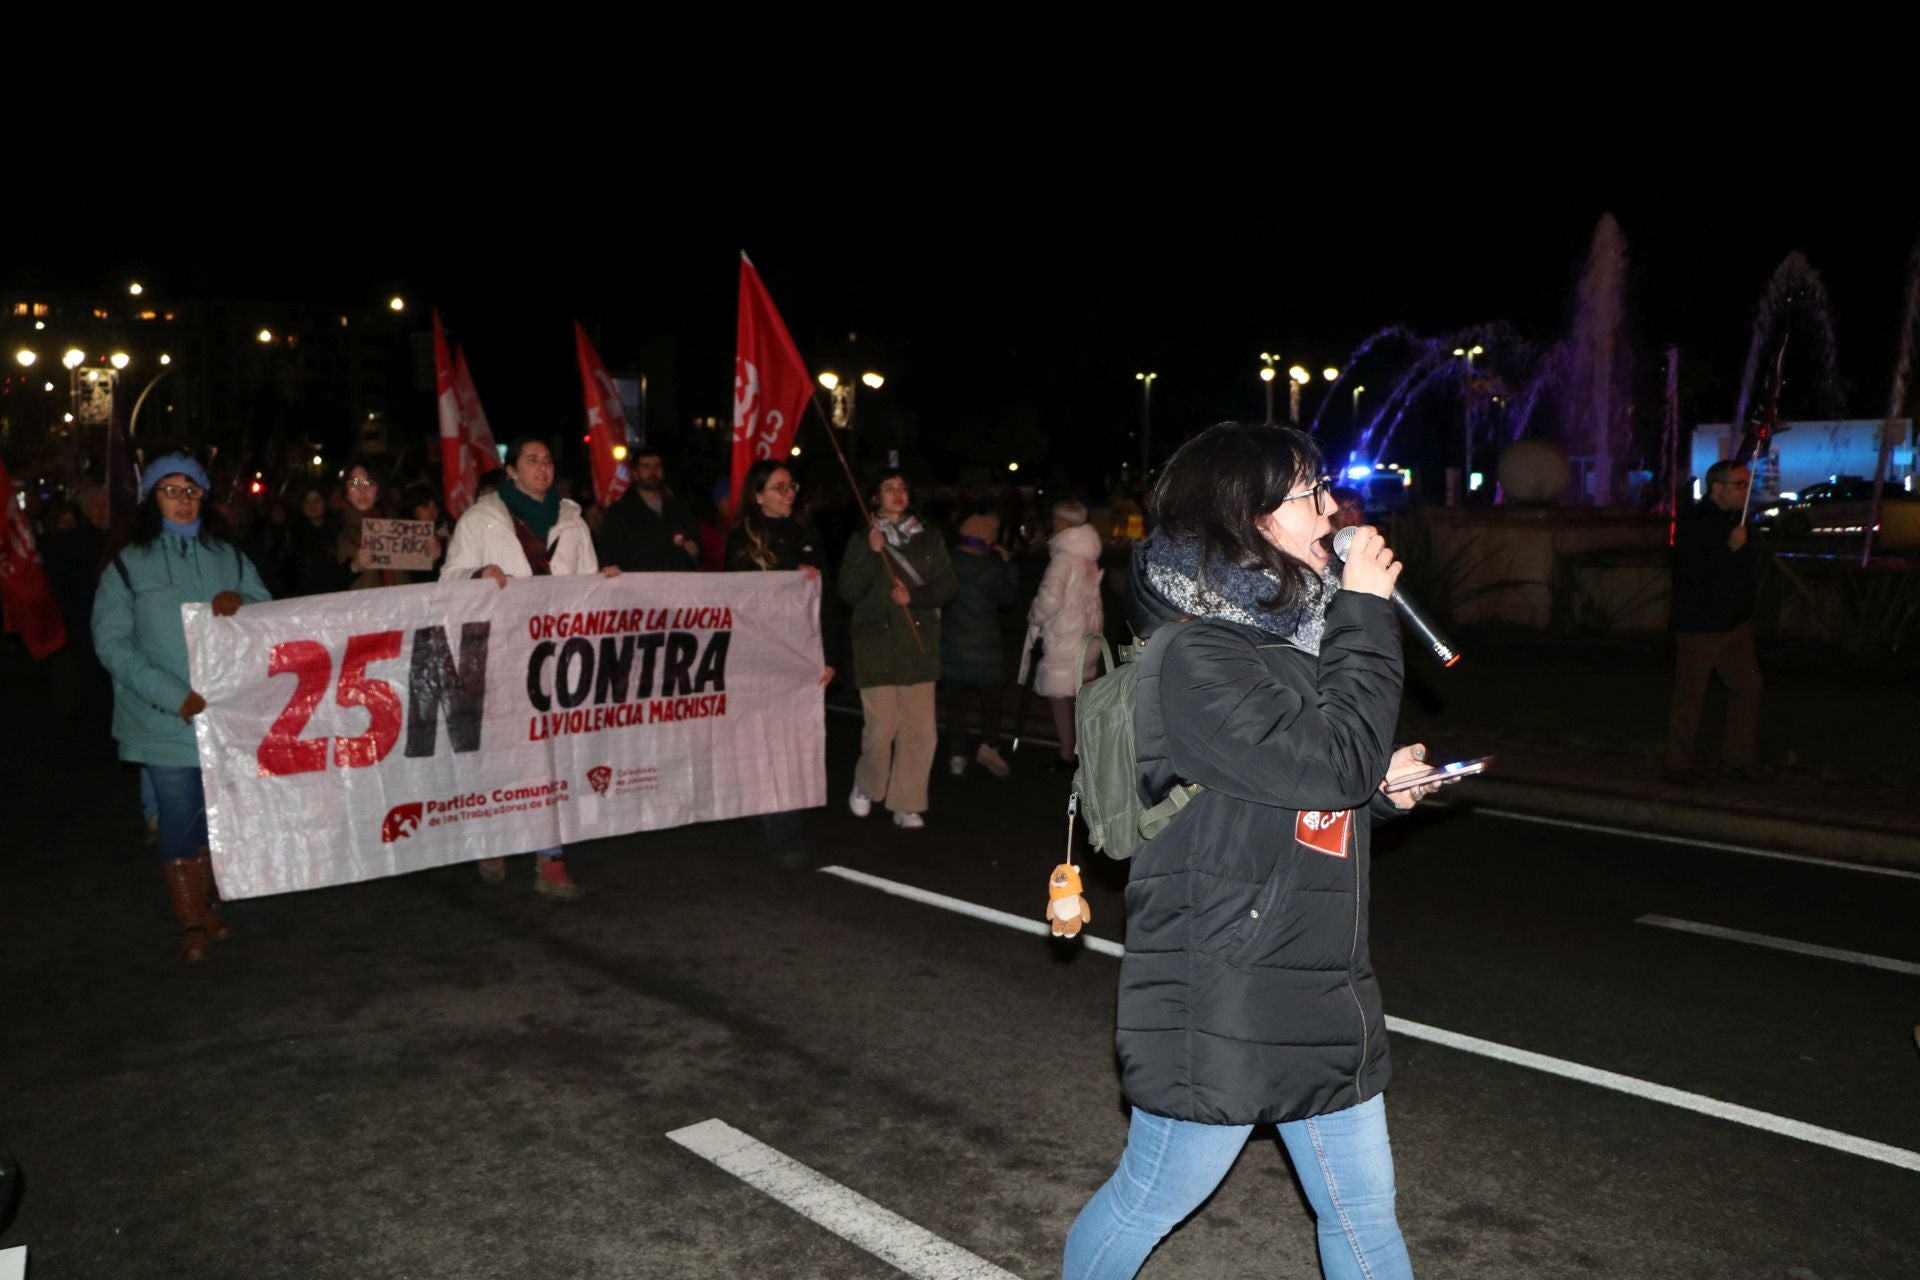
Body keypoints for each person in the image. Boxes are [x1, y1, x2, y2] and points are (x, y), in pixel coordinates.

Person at [1061, 422, 1446, 1280]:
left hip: (1317, 975)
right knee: (1151, 1196)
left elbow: (1304, 791)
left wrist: (1379, 794)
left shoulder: (1291, 645)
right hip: (1226, 984)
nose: (1334, 510)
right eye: (1310, 493)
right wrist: (1367, 610)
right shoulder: (1197, 653)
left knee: (1365, 1217)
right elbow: (1328, 759)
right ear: (1246, 517)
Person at [92, 449, 271, 962]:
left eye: (191, 491)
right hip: (161, 716)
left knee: (210, 813)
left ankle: (209, 901)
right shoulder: (128, 565)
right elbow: (112, 644)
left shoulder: (228, 557)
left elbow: (269, 611)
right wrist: (173, 695)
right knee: (175, 810)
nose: (183, 501)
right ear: (153, 500)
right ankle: (191, 916)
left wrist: (244, 605)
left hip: (222, 713)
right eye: (171, 491)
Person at [441, 434, 620, 899]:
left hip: (558, 657)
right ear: (512, 471)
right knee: (504, 753)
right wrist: (476, 577)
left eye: (548, 459)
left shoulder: (572, 522)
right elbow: (448, 582)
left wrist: (604, 585)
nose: (543, 467)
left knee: (552, 755)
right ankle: (495, 835)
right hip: (502, 653)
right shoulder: (481, 521)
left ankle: (550, 857)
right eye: (532, 460)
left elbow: (583, 586)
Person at [725, 459, 835, 866]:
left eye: (791, 486)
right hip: (761, 659)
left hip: (803, 657)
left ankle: (775, 820)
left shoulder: (807, 531)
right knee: (768, 746)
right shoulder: (744, 539)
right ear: (757, 495)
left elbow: (827, 599)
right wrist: (792, 575)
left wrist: (830, 656)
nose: (788, 494)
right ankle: (783, 837)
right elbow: (742, 600)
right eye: (778, 487)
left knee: (794, 746)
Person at [838, 469, 955, 830]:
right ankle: (867, 782)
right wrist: (873, 555)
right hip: (876, 646)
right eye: (888, 488)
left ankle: (907, 801)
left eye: (902, 488)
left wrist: (915, 597)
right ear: (875, 498)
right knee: (881, 726)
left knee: (921, 731)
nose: (897, 494)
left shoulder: (929, 538)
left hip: (918, 646)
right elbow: (847, 591)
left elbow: (948, 587)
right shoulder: (863, 539)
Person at [1665, 459, 1766, 786]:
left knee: (1748, 686)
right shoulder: (1696, 520)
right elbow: (1691, 570)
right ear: (1716, 488)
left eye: (1747, 485)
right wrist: (1730, 548)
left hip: (1734, 624)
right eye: (1739, 485)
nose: (1745, 491)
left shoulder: (1735, 520)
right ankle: (1678, 765)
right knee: (1690, 695)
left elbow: (1744, 569)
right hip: (1702, 625)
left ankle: (1737, 759)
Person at [1017, 499, 1105, 769]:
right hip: (1086, 635)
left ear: (1063, 523)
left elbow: (1050, 599)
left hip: (1064, 637)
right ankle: (1086, 754)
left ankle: (1067, 754)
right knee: (1081, 700)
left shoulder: (1063, 559)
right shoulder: (1087, 558)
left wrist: (1034, 615)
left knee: (1060, 698)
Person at [941, 505, 1020, 777]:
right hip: (986, 648)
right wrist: (1009, 564)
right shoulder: (993, 565)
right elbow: (1009, 597)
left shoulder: (947, 561)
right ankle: (989, 745)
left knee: (956, 705)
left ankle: (956, 755)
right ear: (988, 537)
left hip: (952, 646)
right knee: (991, 702)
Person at [595, 447, 701, 572]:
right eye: (646, 467)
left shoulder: (679, 510)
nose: (653, 471)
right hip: (637, 589)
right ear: (635, 473)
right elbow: (608, 558)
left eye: (657, 466)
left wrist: (695, 552)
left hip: (677, 587)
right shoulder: (619, 513)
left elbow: (698, 551)